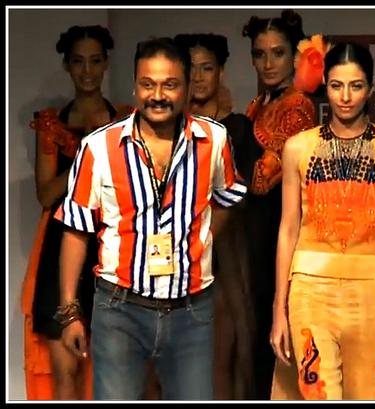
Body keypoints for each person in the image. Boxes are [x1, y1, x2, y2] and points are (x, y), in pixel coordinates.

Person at [53, 36, 246, 400]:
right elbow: (76, 230)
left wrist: (198, 239)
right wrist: (69, 312)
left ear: (186, 88)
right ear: (134, 86)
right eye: (148, 84)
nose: (157, 95)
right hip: (119, 310)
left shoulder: (214, 139)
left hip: (191, 311)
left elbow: (225, 199)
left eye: (169, 85)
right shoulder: (99, 147)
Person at [269, 41, 375, 400]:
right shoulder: (297, 147)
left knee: (370, 394)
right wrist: (278, 307)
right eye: (336, 85)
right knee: (320, 393)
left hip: (373, 290)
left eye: (356, 86)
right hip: (309, 288)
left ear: (370, 88)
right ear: (325, 86)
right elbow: (288, 229)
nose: (345, 97)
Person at [20, 25, 131, 400]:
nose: (87, 70)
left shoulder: (125, 120)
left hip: (112, 244)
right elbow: (46, 193)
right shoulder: (52, 124)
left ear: (106, 64)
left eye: (95, 61)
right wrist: (88, 157)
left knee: (114, 369)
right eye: (79, 61)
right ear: (67, 66)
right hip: (60, 245)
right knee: (65, 370)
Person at [174, 32, 256, 400]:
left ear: (221, 71)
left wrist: (201, 239)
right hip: (165, 253)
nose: (198, 76)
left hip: (221, 251)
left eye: (206, 68)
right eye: (190, 68)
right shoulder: (164, 126)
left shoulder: (237, 128)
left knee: (220, 356)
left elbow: (237, 196)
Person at [241, 9, 317, 399]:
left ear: (295, 57)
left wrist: (231, 130)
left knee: (271, 341)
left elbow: (259, 181)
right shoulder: (260, 104)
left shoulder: (297, 107)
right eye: (260, 54)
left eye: (278, 53)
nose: (268, 63)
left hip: (278, 232)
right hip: (256, 232)